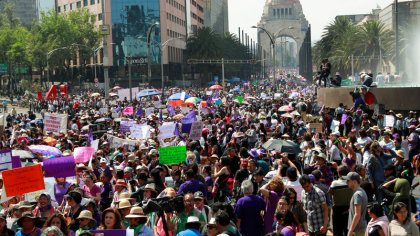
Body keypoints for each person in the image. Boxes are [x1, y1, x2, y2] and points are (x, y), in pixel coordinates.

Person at [345, 172, 368, 236]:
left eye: (348, 181)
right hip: (360, 228)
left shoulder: (357, 194)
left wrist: (350, 230)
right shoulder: (361, 191)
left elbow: (357, 214)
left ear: (354, 181)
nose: (346, 182)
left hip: (358, 229)